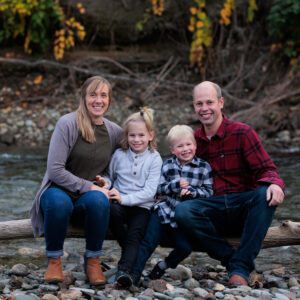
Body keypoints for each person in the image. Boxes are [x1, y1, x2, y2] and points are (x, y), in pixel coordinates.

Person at [174, 81, 285, 286]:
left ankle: (240, 268)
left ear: (221, 102)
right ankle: (234, 260)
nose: (204, 108)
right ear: (194, 106)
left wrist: (275, 184)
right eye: (199, 104)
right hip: (212, 211)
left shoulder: (242, 133)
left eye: (210, 102)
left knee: (264, 194)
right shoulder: (192, 142)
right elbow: (174, 173)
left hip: (243, 209)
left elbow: (268, 170)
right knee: (182, 211)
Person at [30, 76, 123, 285]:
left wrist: (106, 181)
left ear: (109, 100)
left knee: (100, 200)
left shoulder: (115, 132)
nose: (98, 100)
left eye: (103, 95)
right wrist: (89, 186)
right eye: (93, 95)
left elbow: (118, 166)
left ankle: (93, 261)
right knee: (59, 202)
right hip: (57, 192)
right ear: (84, 97)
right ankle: (54, 259)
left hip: (86, 200)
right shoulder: (68, 123)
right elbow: (54, 170)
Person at [130, 124, 213, 285]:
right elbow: (158, 189)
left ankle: (163, 265)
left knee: (186, 247)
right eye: (180, 146)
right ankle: (134, 274)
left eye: (189, 144)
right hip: (164, 211)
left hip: (185, 218)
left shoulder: (203, 167)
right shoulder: (167, 165)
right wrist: (175, 185)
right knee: (148, 242)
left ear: (195, 145)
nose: (185, 149)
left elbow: (209, 192)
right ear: (173, 149)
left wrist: (193, 192)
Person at [100, 107, 163, 288]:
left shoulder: (154, 158)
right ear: (126, 136)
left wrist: (124, 199)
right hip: (118, 204)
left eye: (141, 135)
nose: (137, 140)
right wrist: (104, 182)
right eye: (132, 135)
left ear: (150, 136)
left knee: (135, 234)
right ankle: (128, 264)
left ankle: (123, 271)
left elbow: (150, 192)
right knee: (111, 210)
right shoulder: (119, 154)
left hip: (142, 207)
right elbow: (110, 176)